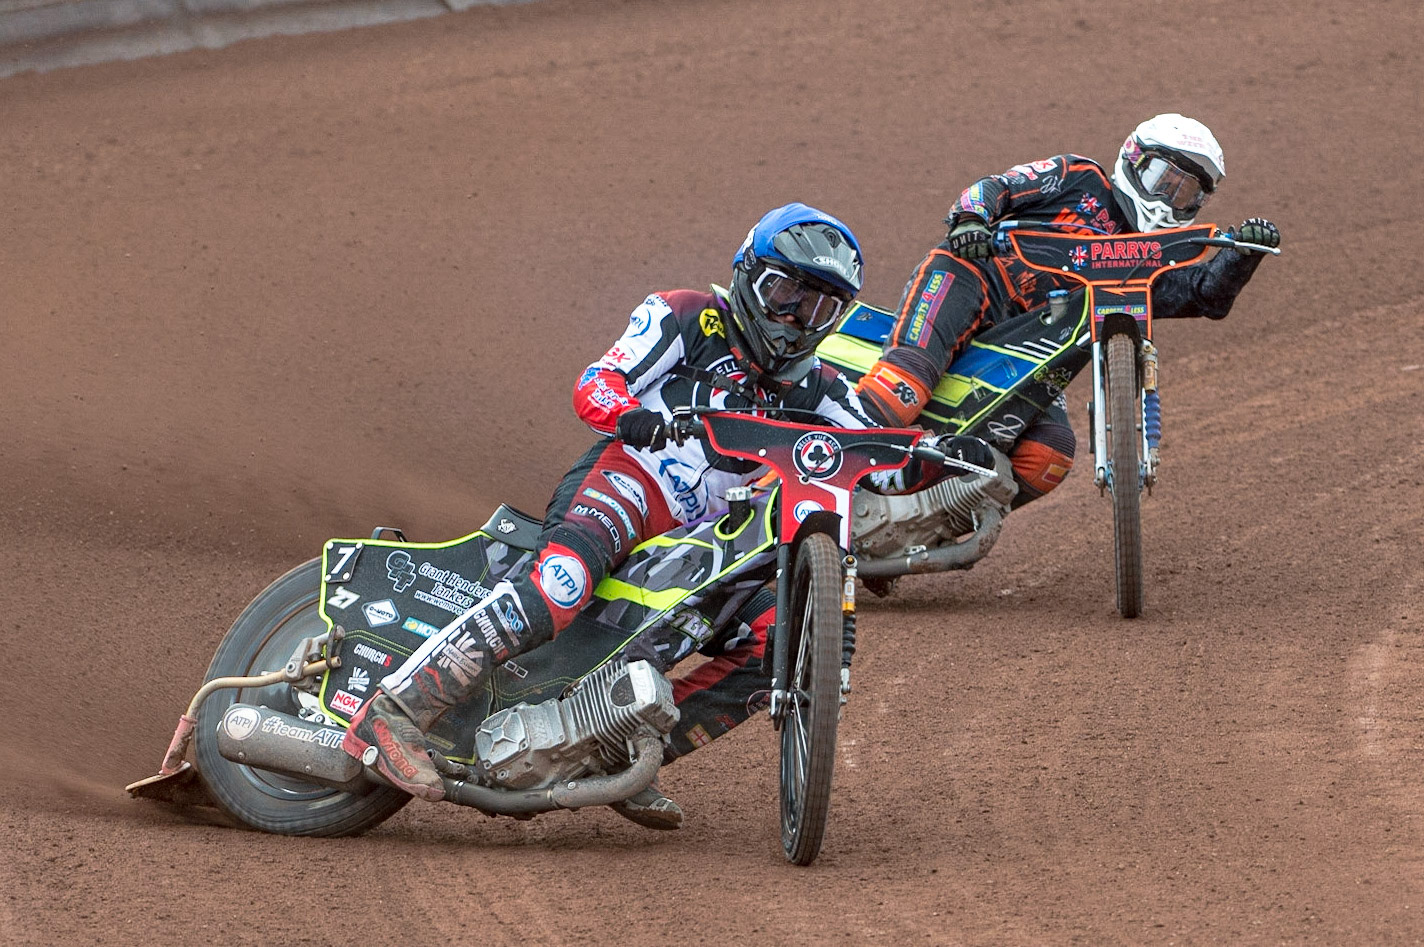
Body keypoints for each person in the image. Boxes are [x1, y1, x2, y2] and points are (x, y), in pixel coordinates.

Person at [341, 203, 886, 813]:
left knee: (777, 643)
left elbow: (877, 451)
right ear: (746, 273)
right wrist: (629, 414)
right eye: (784, 292)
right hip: (628, 481)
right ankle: (391, 713)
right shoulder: (685, 316)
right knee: (561, 582)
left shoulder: (822, 387)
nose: (793, 318)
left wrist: (941, 457)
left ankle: (617, 756)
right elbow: (597, 381)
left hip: (704, 536)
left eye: (817, 307)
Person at [854, 113, 1282, 506]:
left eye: (1185, 192)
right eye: (1161, 179)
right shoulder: (1079, 177)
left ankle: (932, 520)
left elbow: (1205, 293)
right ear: (1133, 160)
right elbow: (998, 186)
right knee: (899, 393)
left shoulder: (1152, 258)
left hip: (1030, 346)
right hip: (973, 279)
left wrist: (1245, 253)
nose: (1169, 199)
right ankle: (815, 482)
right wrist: (970, 220)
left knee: (1049, 456)